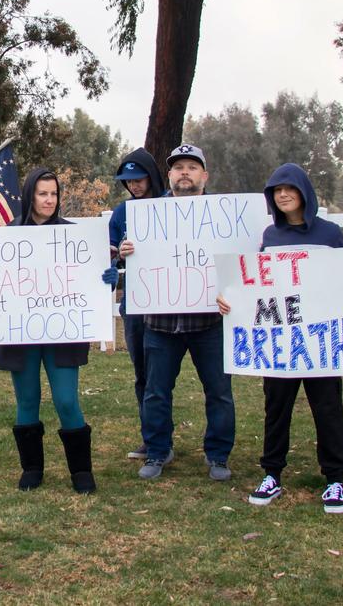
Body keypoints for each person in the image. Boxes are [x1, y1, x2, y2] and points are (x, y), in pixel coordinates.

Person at [217, 163, 343, 514]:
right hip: (280, 344)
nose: (283, 195)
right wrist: (231, 298)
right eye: (276, 191)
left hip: (321, 344)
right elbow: (258, 285)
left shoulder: (331, 233)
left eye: (289, 188)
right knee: (276, 408)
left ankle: (335, 479)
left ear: (305, 191)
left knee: (328, 407)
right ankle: (271, 473)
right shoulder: (270, 237)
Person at [0, 168, 110, 494]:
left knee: (67, 401)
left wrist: (108, 277)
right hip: (19, 333)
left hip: (63, 333)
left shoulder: (75, 236)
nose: (49, 200)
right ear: (29, 195)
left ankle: (81, 471)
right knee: (27, 400)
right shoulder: (5, 236)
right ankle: (32, 468)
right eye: (42, 193)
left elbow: (91, 276)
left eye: (53, 193)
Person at [120, 144, 236, 481]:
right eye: (178, 167)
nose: (184, 172)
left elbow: (243, 261)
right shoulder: (148, 215)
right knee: (156, 391)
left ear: (204, 175)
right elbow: (128, 255)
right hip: (160, 321)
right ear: (169, 176)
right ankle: (157, 452)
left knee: (218, 391)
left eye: (192, 167)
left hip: (210, 321)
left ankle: (218, 455)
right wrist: (126, 251)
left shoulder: (225, 214)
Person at [107, 148, 164, 460]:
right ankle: (152, 438)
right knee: (143, 374)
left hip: (171, 303)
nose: (134, 186)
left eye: (139, 179)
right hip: (135, 303)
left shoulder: (171, 206)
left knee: (162, 376)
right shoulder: (121, 213)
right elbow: (108, 254)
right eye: (128, 181)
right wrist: (116, 253)